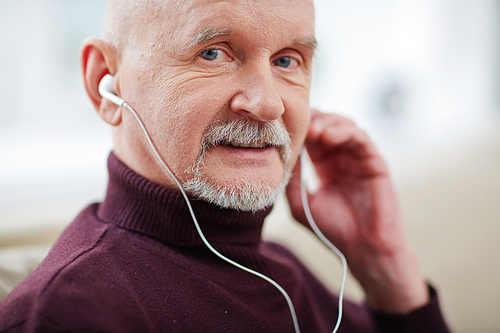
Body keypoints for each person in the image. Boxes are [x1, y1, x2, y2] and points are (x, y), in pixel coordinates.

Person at [0, 0, 452, 332]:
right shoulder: (69, 313)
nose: (268, 103)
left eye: (286, 60)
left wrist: (386, 267)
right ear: (104, 82)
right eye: (214, 53)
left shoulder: (278, 268)